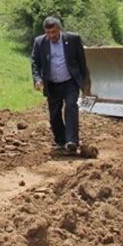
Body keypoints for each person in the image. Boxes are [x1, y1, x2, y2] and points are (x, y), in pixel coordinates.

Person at [30, 16, 89, 154]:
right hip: (52, 84)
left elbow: (82, 62)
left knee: (71, 107)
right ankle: (61, 141)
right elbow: (35, 63)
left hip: (70, 82)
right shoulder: (39, 42)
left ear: (59, 29)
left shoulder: (73, 39)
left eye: (54, 32)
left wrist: (84, 83)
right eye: (48, 33)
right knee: (54, 114)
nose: (52, 36)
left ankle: (72, 141)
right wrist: (37, 79)